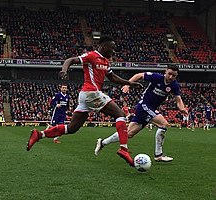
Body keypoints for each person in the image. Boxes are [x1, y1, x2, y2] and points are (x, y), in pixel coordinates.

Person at [26, 35, 142, 167]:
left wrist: (129, 83)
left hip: (86, 96)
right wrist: (64, 70)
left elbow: (113, 78)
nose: (113, 52)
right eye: (111, 49)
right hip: (91, 93)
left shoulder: (105, 61)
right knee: (120, 115)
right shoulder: (92, 56)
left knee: (72, 128)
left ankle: (39, 134)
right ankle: (124, 149)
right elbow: (70, 60)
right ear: (104, 47)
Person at [95, 65, 188, 162]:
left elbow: (178, 100)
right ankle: (158, 154)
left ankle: (102, 142)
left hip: (150, 108)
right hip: (144, 105)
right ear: (165, 71)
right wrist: (128, 85)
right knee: (163, 124)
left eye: (174, 76)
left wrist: (182, 108)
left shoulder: (174, 85)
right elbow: (139, 75)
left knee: (129, 133)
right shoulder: (157, 77)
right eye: (169, 74)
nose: (170, 77)